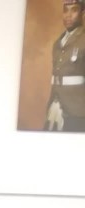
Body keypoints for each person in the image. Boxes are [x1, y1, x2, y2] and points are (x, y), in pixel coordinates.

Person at [45, 1, 85, 131]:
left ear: (82, 13)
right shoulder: (58, 42)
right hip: (55, 103)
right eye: (66, 10)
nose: (68, 15)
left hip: (77, 109)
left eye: (74, 10)